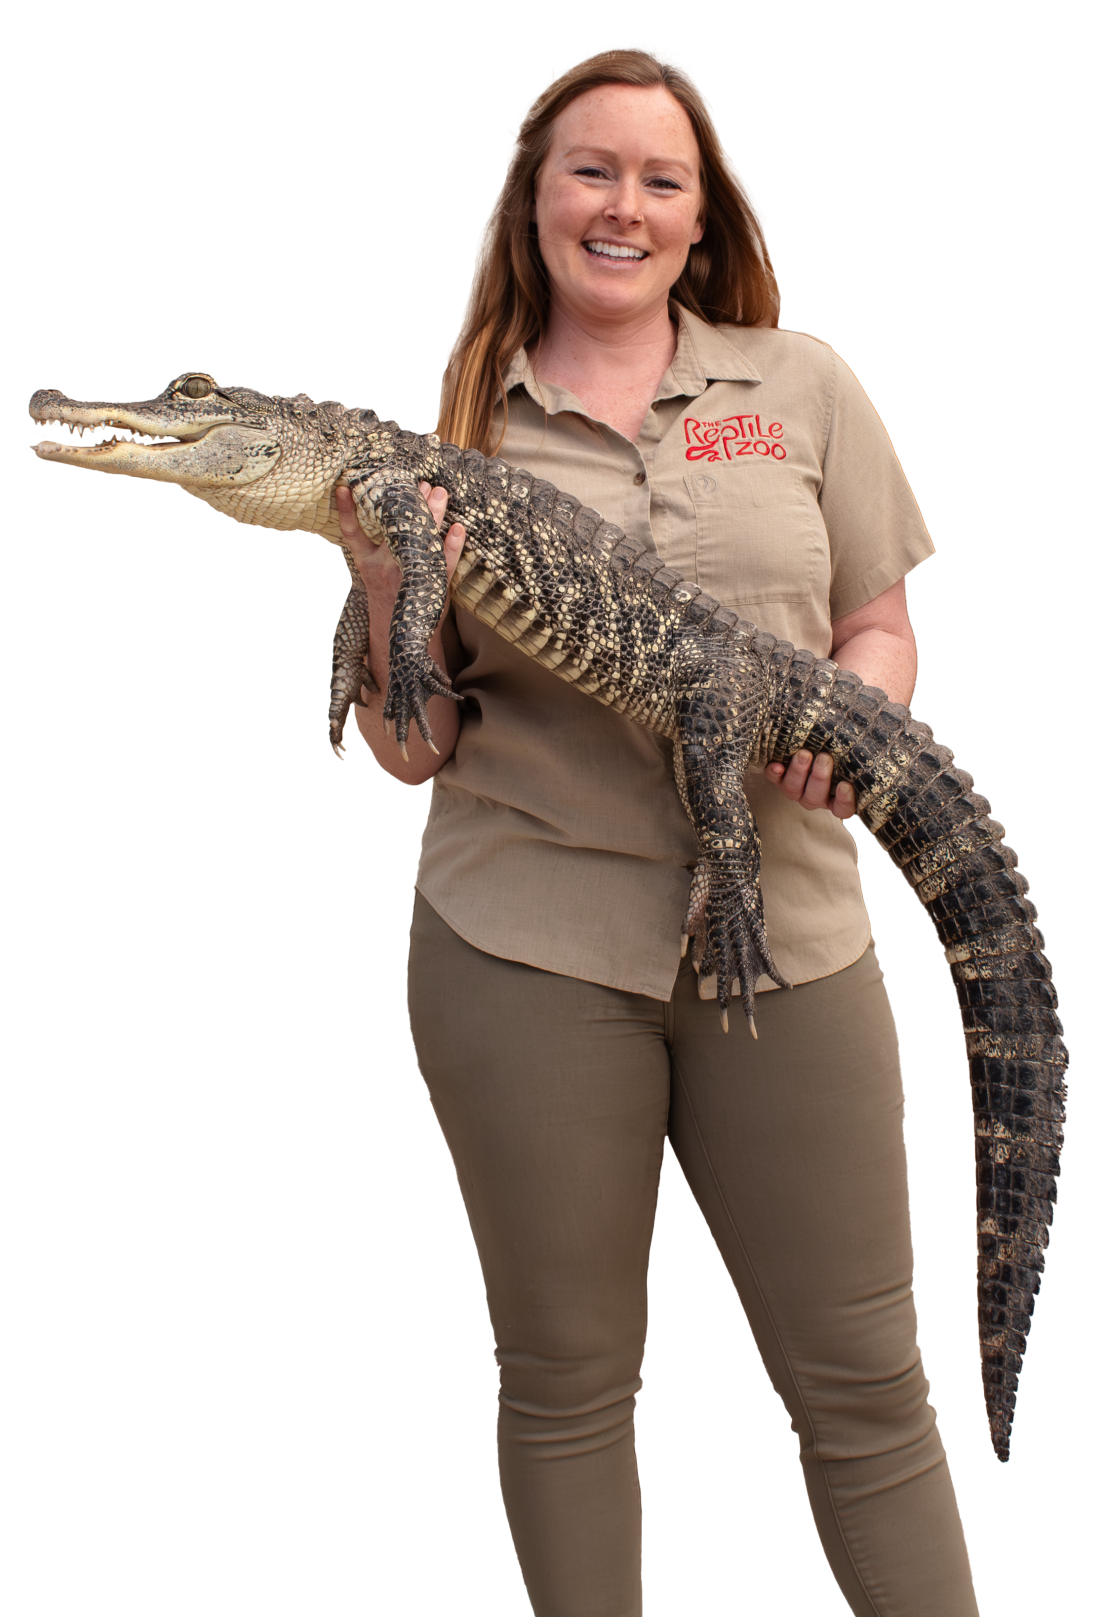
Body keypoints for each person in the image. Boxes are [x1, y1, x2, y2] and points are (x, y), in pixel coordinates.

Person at [337, 43, 980, 1617]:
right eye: (589, 171)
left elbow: (878, 621)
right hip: (522, 943)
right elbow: (411, 752)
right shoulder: (454, 424)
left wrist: (859, 719)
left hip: (792, 930)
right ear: (532, 201)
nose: (622, 205)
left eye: (659, 178)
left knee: (868, 1394)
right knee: (563, 1382)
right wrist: (371, 575)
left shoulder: (803, 382)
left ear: (703, 216)